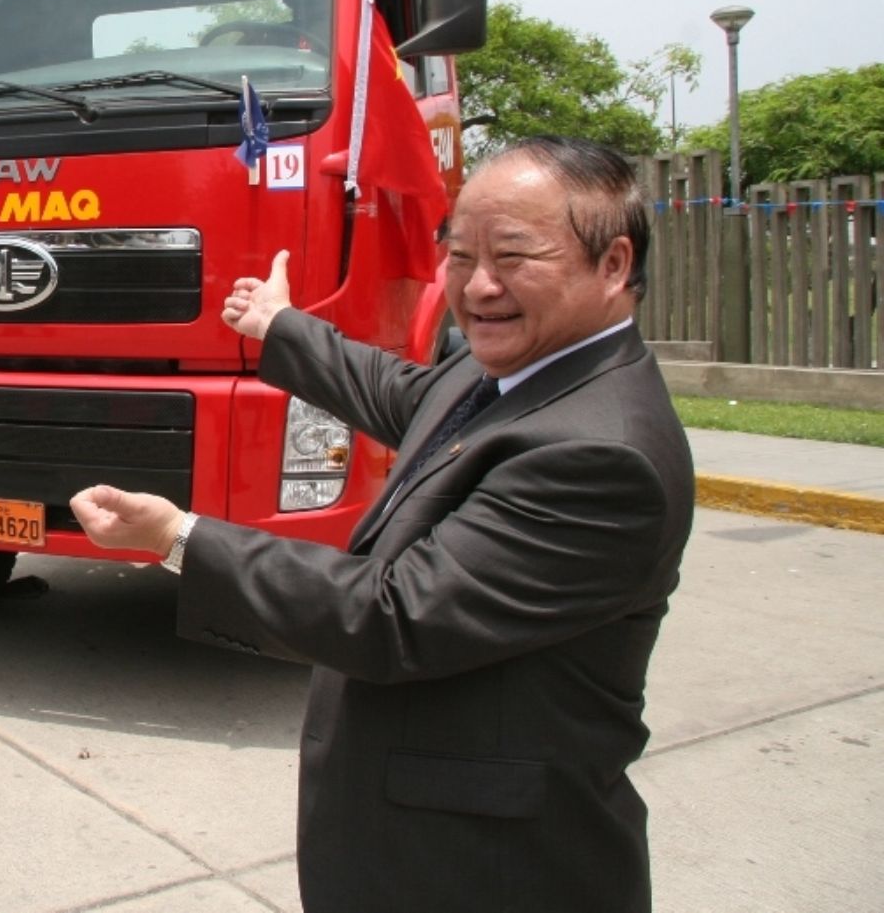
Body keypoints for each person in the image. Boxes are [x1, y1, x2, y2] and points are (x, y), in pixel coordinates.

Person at [71, 136, 693, 913]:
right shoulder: (514, 367)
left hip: (489, 869)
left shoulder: (602, 454)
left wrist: (178, 538)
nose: (479, 285)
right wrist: (281, 325)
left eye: (512, 255)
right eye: (459, 255)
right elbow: (403, 393)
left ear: (612, 263)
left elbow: (392, 614)